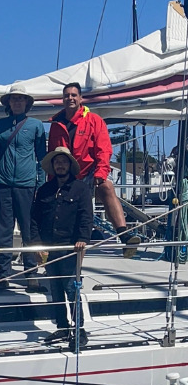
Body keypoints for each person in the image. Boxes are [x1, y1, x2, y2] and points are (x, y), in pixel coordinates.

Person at [48, 83, 140, 256]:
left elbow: (103, 149)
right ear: (63, 99)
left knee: (106, 186)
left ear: (81, 98)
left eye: (74, 95)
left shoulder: (94, 120)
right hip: (66, 177)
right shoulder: (56, 124)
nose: (70, 98)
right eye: (67, 95)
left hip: (88, 173)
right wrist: (51, 182)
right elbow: (52, 154)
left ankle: (124, 234)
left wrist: (100, 173)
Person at [31, 147, 93, 351]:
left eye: (63, 162)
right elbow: (34, 219)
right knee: (55, 291)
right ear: (52, 166)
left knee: (70, 289)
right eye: (57, 162)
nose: (60, 165)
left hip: (70, 248)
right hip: (49, 248)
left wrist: (83, 239)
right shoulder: (44, 190)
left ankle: (79, 329)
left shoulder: (81, 189)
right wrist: (36, 243)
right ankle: (62, 327)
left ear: (69, 165)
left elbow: (86, 217)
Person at [0, 84, 47, 292]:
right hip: (3, 185)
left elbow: (41, 157)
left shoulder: (36, 126)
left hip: (28, 185)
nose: (18, 102)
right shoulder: (0, 125)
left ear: (27, 102)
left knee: (29, 230)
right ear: (9, 103)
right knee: (4, 231)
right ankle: (3, 274)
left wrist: (40, 183)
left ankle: (31, 274)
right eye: (14, 99)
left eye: (21, 99)